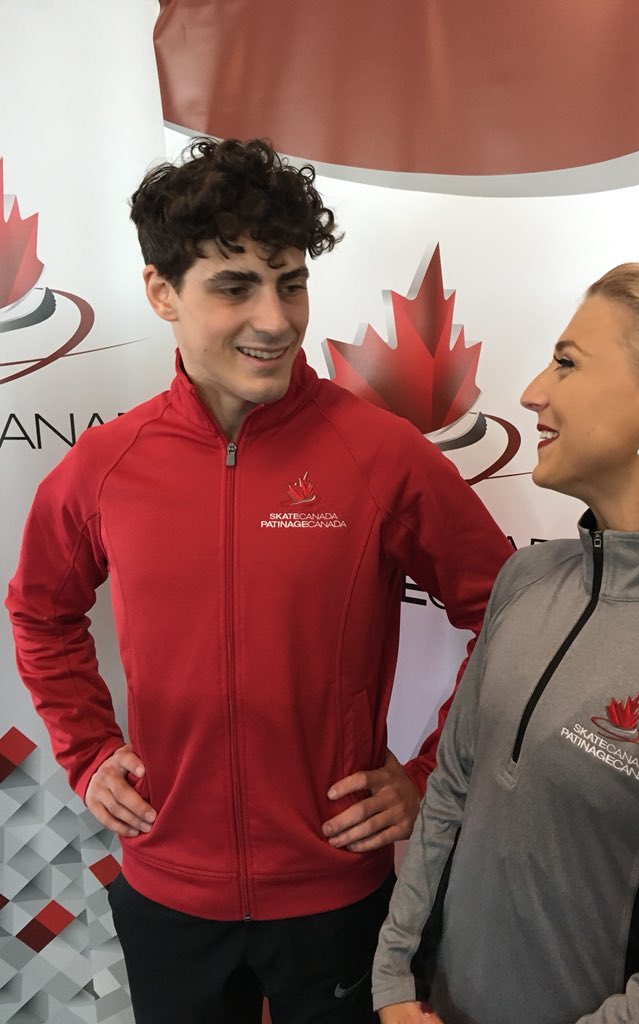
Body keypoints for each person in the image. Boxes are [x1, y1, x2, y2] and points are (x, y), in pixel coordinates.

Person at [5, 137, 511, 1024]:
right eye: (235, 287)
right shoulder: (108, 464)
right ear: (162, 291)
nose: (275, 320)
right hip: (167, 888)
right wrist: (86, 751)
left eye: (291, 282)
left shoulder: (379, 455)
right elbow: (40, 611)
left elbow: (509, 613)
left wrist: (432, 773)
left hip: (335, 892)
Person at [372, 263, 639, 1024]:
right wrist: (393, 979)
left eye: (566, 362)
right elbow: (450, 792)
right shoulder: (526, 581)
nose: (531, 393)